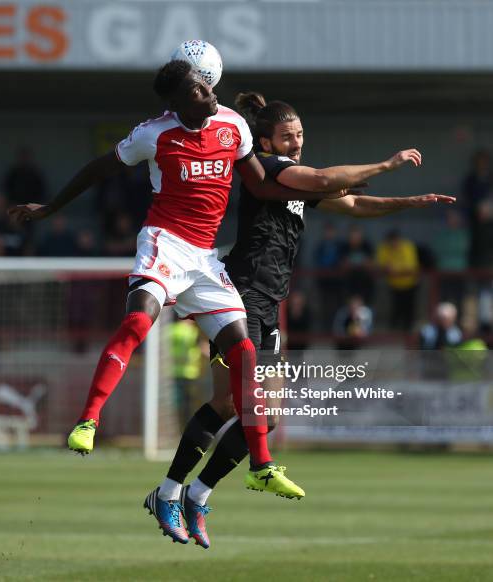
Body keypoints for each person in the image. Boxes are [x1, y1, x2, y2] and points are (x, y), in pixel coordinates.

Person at [8, 61, 348, 543]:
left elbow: (262, 185)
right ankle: (88, 420)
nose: (209, 95)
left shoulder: (232, 125)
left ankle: (260, 467)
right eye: (197, 91)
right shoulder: (154, 134)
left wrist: (337, 185)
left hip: (207, 261)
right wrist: (51, 208)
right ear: (177, 102)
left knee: (244, 357)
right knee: (137, 325)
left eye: (208, 86)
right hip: (165, 244)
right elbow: (100, 168)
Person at [152, 92, 455, 549]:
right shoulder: (270, 170)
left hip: (268, 305)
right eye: (288, 137)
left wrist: (408, 203)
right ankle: (169, 492)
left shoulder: (297, 188)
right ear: (266, 142)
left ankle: (197, 494)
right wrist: (386, 165)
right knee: (229, 404)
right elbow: (325, 178)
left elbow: (352, 205)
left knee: (267, 415)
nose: (297, 143)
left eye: (300, 136)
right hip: (240, 296)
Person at [376, 229, 420, 331]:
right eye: (391, 242)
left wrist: (395, 269)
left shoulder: (407, 246)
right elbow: (380, 264)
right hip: (394, 285)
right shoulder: (384, 248)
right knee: (396, 310)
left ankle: (407, 331)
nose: (393, 244)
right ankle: (395, 331)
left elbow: (411, 266)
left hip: (410, 284)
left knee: (409, 309)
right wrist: (388, 268)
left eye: (395, 241)